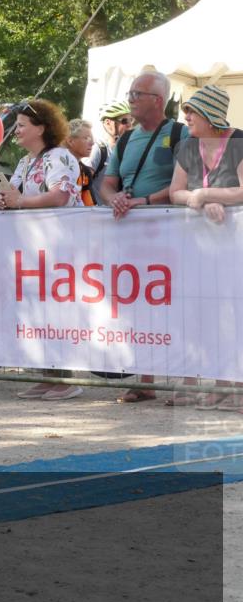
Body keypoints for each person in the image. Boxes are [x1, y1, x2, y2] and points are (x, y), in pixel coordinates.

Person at [98, 71, 183, 403]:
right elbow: (107, 183)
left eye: (137, 94)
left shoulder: (182, 134)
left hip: (171, 233)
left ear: (158, 101)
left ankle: (184, 381)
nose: (130, 99)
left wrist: (145, 201)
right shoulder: (123, 139)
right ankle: (146, 380)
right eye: (130, 93)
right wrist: (114, 199)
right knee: (139, 304)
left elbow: (185, 183)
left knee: (179, 303)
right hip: (132, 235)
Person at [0, 99, 82, 401]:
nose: (15, 130)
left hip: (59, 245)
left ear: (41, 128)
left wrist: (19, 202)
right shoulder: (25, 162)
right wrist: (5, 201)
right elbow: (13, 194)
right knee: (36, 310)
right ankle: (48, 375)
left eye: (21, 125)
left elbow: (61, 195)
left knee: (56, 310)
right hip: (33, 247)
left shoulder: (58, 156)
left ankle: (64, 378)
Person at [167, 85, 243, 410]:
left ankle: (237, 384)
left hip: (236, 243)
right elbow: (176, 192)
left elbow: (242, 190)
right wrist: (199, 200)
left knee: (236, 312)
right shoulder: (187, 146)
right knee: (209, 312)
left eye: (191, 111)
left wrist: (209, 195)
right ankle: (220, 382)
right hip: (201, 244)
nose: (186, 117)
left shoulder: (238, 142)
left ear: (210, 116)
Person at [85, 100, 133, 197]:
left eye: (131, 120)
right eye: (124, 121)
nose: (129, 125)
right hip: (97, 210)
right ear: (108, 123)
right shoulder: (98, 149)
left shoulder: (128, 149)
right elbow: (83, 182)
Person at [66, 119, 96, 206]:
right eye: (86, 138)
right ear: (70, 141)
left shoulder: (85, 172)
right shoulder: (55, 166)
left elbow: (90, 208)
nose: (92, 143)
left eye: (92, 138)